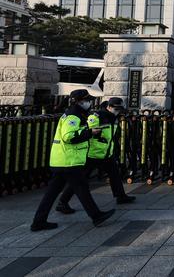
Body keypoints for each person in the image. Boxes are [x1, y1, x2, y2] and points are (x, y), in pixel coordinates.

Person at [31, 89, 115, 231]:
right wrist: (90, 132)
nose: (89, 103)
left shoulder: (75, 114)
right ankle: (96, 216)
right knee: (82, 188)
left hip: (63, 160)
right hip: (68, 161)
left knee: (52, 193)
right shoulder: (73, 116)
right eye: (87, 100)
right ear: (79, 101)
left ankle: (39, 221)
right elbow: (68, 137)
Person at [55, 98, 135, 215]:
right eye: (116, 109)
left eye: (120, 110)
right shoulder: (97, 116)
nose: (118, 111)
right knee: (79, 179)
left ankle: (120, 196)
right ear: (109, 106)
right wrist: (95, 135)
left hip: (105, 153)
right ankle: (62, 202)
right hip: (92, 154)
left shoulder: (114, 118)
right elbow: (87, 130)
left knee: (114, 174)